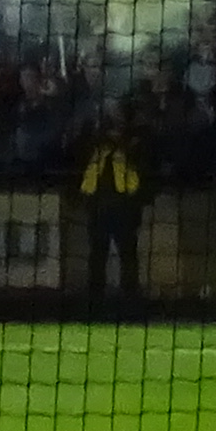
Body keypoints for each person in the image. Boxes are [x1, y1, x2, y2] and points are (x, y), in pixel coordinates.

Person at [76, 127, 146, 308]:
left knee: (125, 252)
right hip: (101, 210)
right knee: (100, 253)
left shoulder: (126, 156)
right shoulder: (99, 155)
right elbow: (88, 181)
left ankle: (129, 290)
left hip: (120, 209)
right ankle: (97, 291)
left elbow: (134, 183)